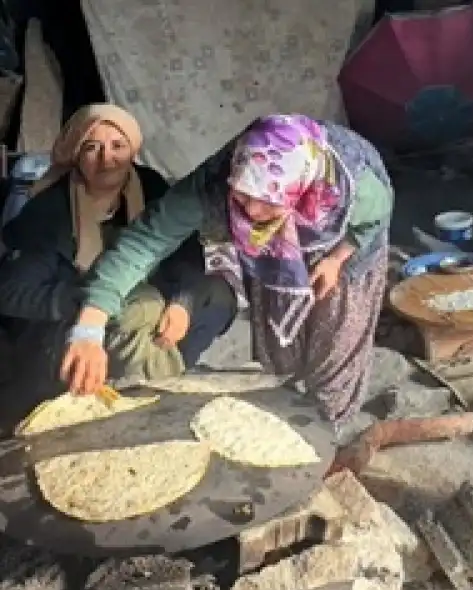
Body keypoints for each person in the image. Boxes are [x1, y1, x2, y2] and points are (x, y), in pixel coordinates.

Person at [59, 114, 393, 427]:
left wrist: (336, 259)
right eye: (243, 196)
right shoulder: (218, 181)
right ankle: (289, 416)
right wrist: (89, 328)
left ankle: (329, 431)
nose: (252, 211)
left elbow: (373, 222)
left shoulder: (355, 187)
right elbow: (144, 243)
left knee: (334, 343)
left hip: (343, 244)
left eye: (267, 201)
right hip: (271, 243)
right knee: (280, 341)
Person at [0, 104, 237, 429]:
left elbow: (186, 255)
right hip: (64, 328)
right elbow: (11, 291)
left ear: (133, 150)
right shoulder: (49, 212)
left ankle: (159, 377)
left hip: (141, 308)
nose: (106, 158)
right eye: (92, 147)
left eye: (117, 146)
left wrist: (182, 302)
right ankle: (151, 408)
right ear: (76, 154)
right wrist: (87, 303)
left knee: (216, 294)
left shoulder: (150, 187)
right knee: (140, 312)